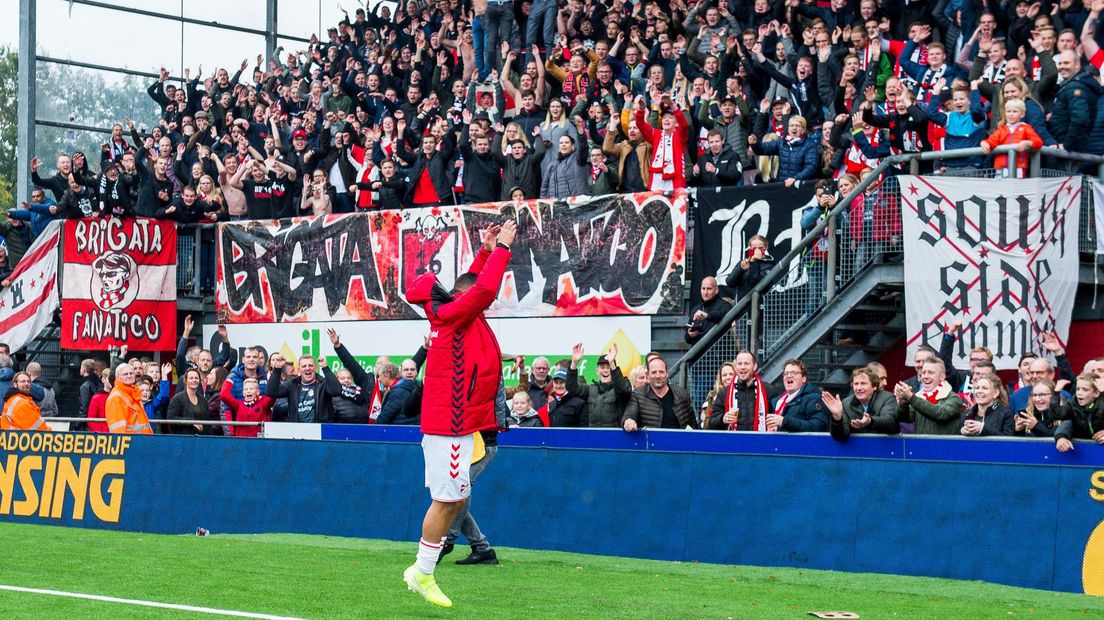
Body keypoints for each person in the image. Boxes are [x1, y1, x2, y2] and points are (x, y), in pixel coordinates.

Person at [401, 220, 516, 608]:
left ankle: (423, 569)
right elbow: (480, 289)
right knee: (446, 502)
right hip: (450, 425)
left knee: (453, 500)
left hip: (459, 424)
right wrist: (501, 248)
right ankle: (422, 571)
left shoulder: (451, 313)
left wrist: (484, 252)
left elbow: (473, 285)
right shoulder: (452, 316)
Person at [705, 349, 779, 431]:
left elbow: (779, 418)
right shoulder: (724, 393)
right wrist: (723, 419)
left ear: (754, 366)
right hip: (733, 442)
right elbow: (712, 422)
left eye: (746, 363)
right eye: (739, 364)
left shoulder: (769, 390)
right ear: (736, 367)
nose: (742, 367)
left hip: (760, 442)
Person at [621, 356, 699, 431]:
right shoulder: (637, 395)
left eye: (661, 372)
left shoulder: (682, 394)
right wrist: (629, 421)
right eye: (654, 372)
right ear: (648, 375)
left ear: (667, 373)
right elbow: (629, 414)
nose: (658, 376)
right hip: (650, 443)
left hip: (678, 443)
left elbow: (693, 425)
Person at [565, 343, 631, 428]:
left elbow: (623, 391)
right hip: (594, 437)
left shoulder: (621, 386)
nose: (606, 370)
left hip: (615, 438)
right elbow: (571, 386)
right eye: (602, 367)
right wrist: (574, 362)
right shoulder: (590, 389)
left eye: (608, 367)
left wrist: (612, 363)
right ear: (597, 371)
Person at [825, 368, 900, 440]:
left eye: (863, 383)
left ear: (874, 386)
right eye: (856, 384)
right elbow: (840, 436)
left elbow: (890, 422)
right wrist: (837, 418)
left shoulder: (887, 398)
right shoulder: (846, 403)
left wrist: (870, 421)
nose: (859, 388)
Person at [894, 359, 964, 436]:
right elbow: (904, 418)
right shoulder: (919, 396)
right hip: (920, 446)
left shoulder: (953, 398)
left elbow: (939, 414)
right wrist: (904, 403)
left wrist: (911, 397)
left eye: (931, 373)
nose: (925, 376)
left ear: (942, 377)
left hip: (943, 447)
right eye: (923, 373)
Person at [322, 328, 376, 425]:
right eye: (342, 378)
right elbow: (350, 362)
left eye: (348, 378)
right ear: (336, 379)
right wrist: (338, 346)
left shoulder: (361, 393)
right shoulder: (333, 397)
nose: (346, 380)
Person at [266, 354, 333, 423]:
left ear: (316, 368)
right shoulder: (292, 384)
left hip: (319, 430)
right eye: (304, 366)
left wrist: (325, 367)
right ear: (299, 370)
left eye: (310, 365)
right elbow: (271, 392)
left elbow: (337, 390)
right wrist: (277, 369)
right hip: (297, 431)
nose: (307, 368)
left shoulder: (323, 383)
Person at [767, 360, 828, 433]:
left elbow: (816, 427)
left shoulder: (813, 399)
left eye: (794, 373)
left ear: (803, 379)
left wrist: (785, 421)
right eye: (786, 373)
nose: (789, 375)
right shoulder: (776, 401)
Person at [167, 368, 221, 435]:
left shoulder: (203, 400)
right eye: (191, 378)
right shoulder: (177, 399)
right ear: (186, 381)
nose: (194, 380)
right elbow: (171, 418)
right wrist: (191, 422)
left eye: (196, 378)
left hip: (200, 439)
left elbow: (207, 421)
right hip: (182, 439)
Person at [105, 363, 152, 435]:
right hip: (131, 442)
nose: (129, 376)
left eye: (131, 373)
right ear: (118, 377)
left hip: (142, 441)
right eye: (125, 374)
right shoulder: (116, 397)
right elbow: (118, 430)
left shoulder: (133, 393)